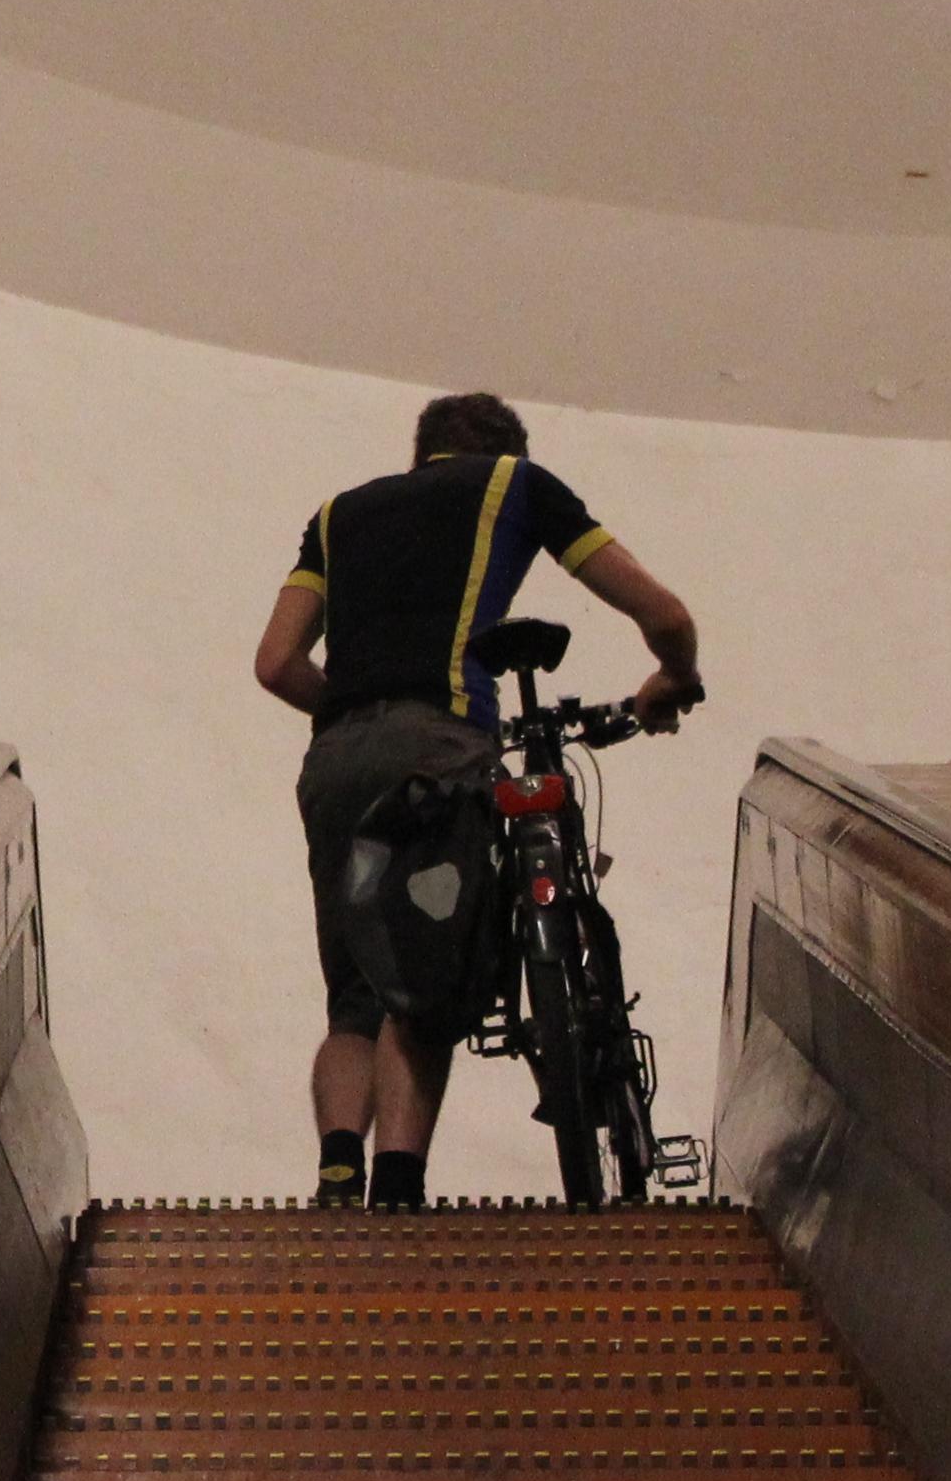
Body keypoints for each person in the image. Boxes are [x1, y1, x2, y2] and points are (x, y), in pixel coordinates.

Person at [255, 390, 699, 1207]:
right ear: (505, 448)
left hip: (336, 761)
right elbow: (661, 611)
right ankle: (398, 1183)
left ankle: (338, 1168)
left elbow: (277, 663)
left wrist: (360, 711)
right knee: (420, 978)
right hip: (441, 752)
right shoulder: (515, 485)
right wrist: (674, 675)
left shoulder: (336, 516)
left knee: (355, 993)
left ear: (420, 450)